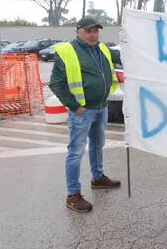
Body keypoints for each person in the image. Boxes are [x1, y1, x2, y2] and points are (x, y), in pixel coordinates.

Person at [49, 16, 122, 213]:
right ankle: (73, 195)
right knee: (75, 152)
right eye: (89, 31)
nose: (93, 35)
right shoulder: (67, 52)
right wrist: (74, 106)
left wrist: (128, 36)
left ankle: (97, 178)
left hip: (101, 106)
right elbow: (56, 83)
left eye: (96, 31)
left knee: (98, 145)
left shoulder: (102, 48)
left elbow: (126, 56)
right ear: (78, 31)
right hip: (82, 111)